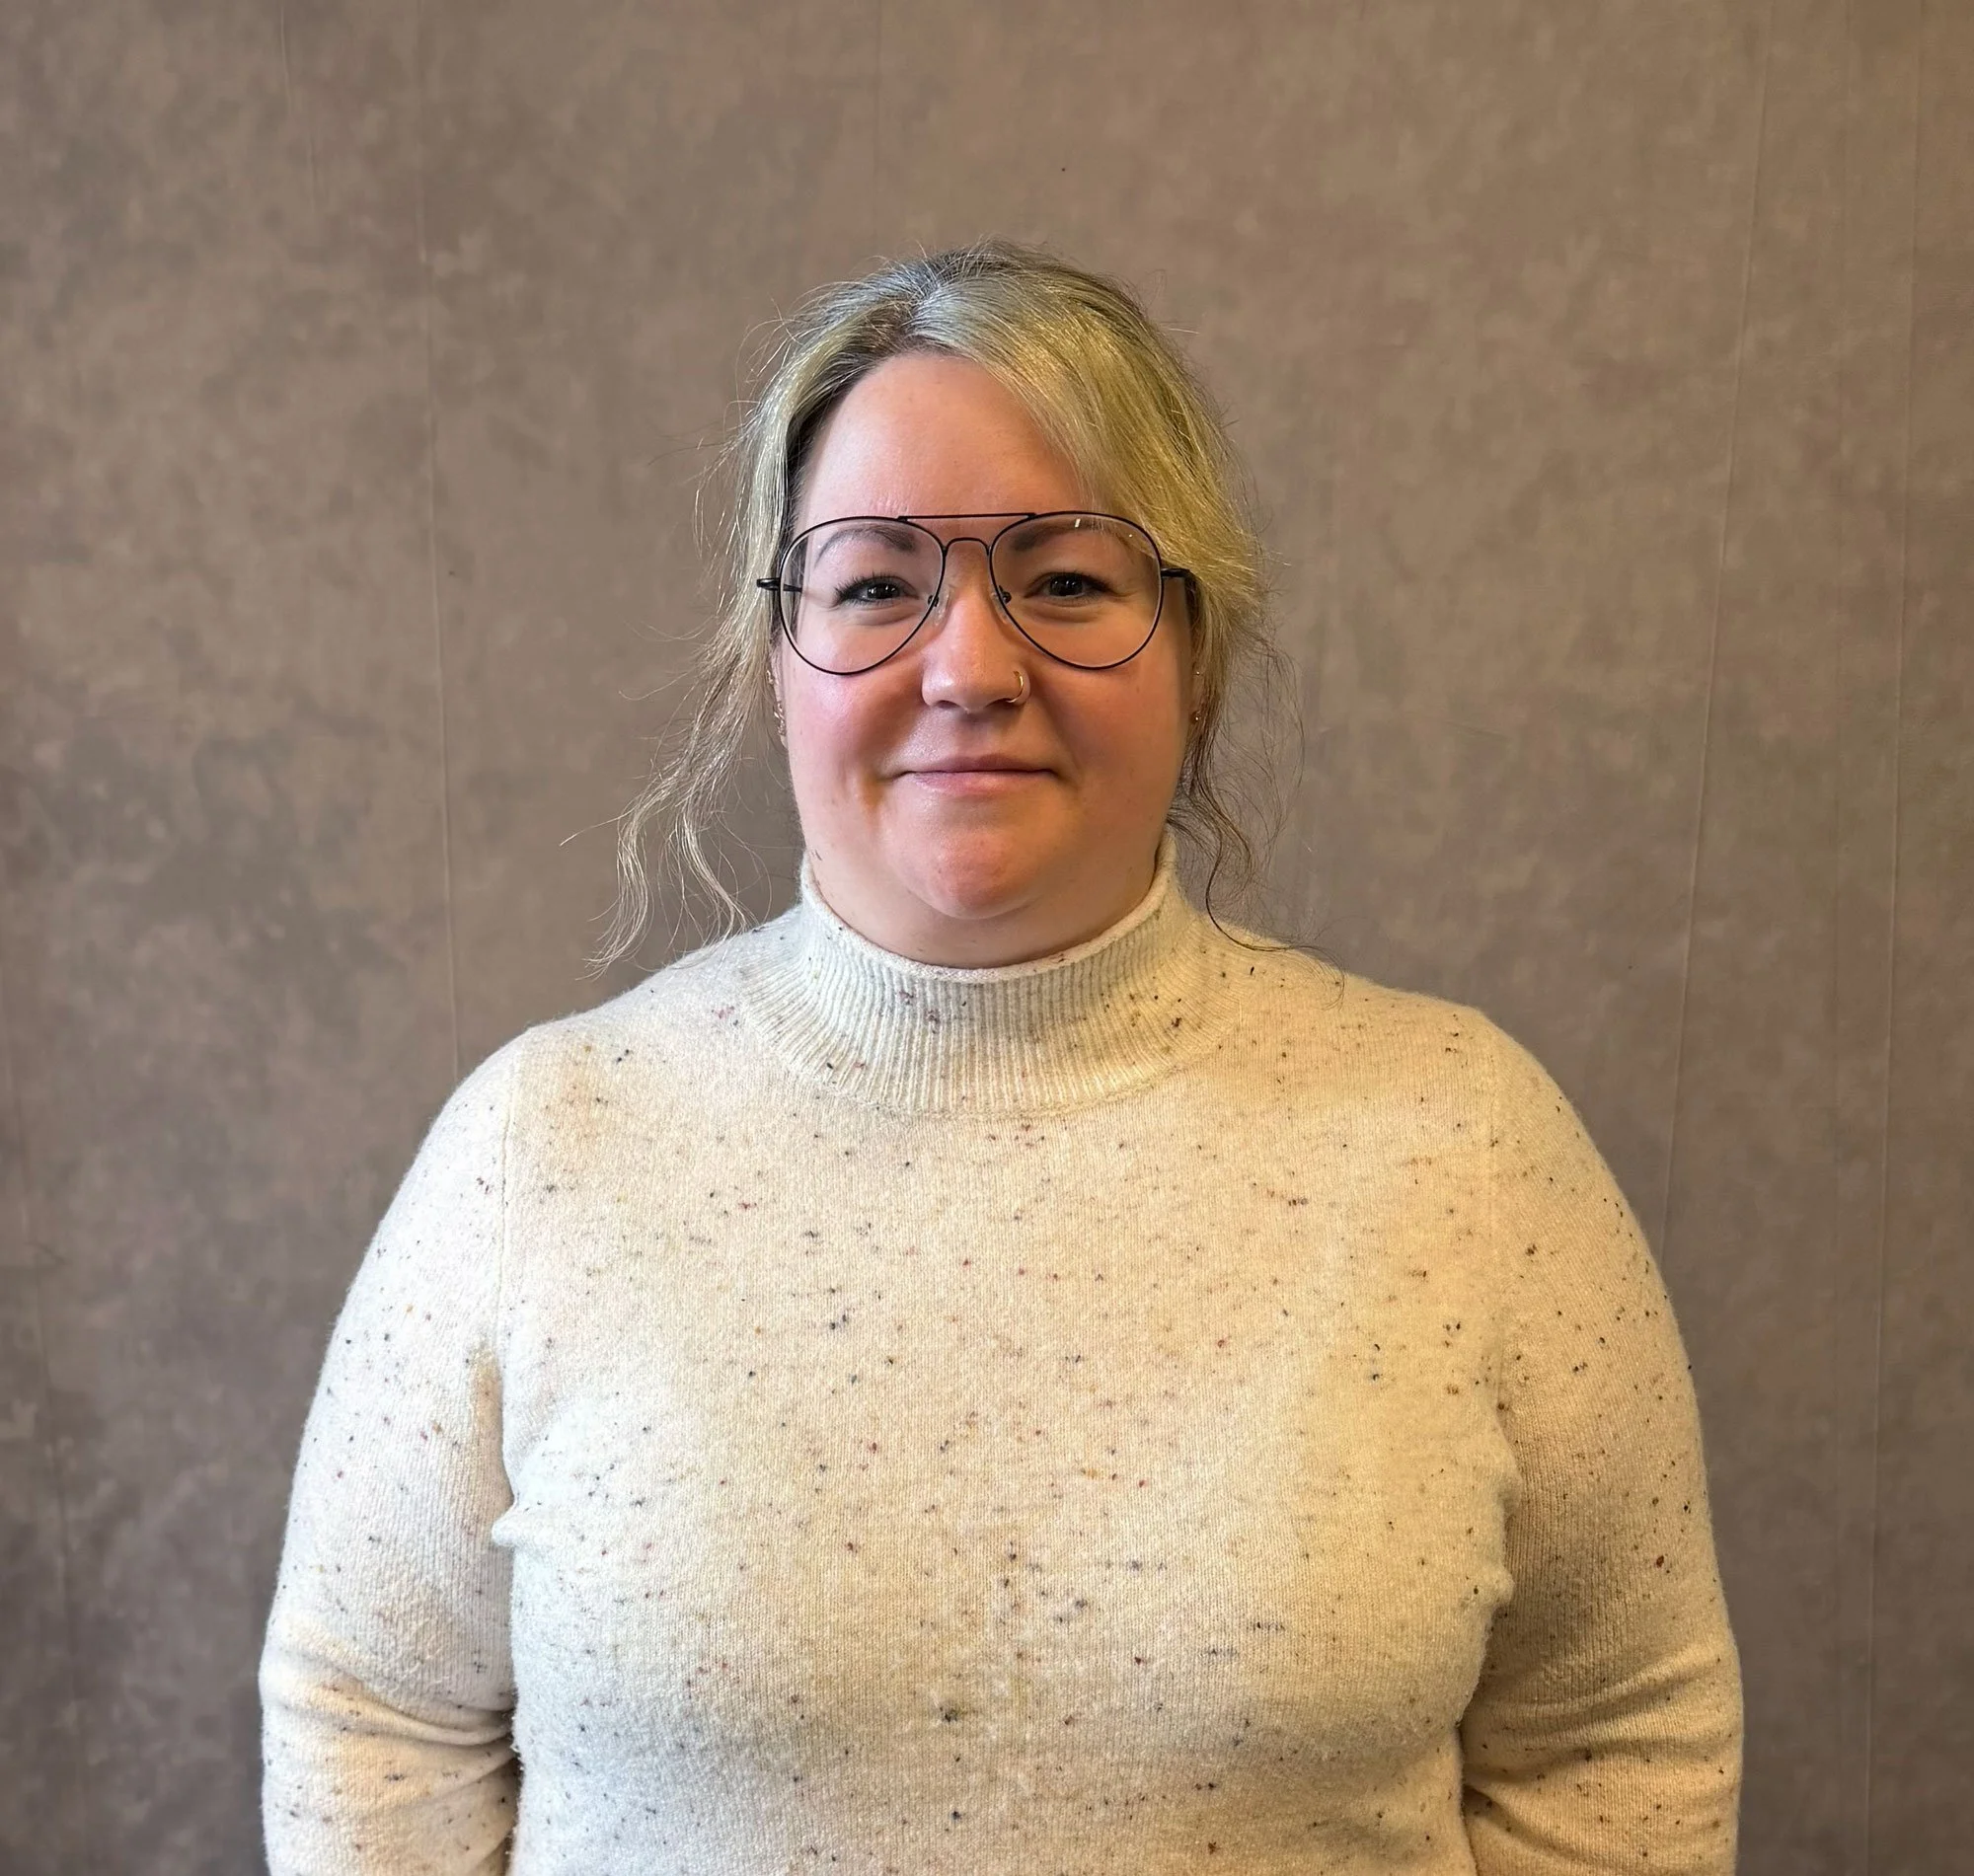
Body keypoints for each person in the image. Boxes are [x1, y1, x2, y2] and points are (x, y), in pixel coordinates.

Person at [261, 241, 1742, 1874]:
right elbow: (373, 1726)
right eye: (876, 584)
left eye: (1069, 581)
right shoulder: (543, 1147)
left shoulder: (1461, 1144)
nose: (971, 669)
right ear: (775, 663)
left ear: (1196, 654)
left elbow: (1617, 1744)